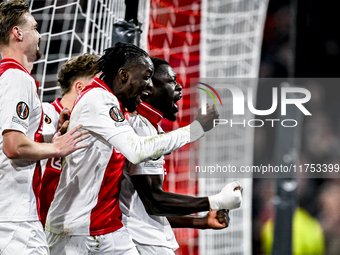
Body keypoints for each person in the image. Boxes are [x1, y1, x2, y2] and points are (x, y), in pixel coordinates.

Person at [45, 42, 222, 255]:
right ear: (124, 75)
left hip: (109, 228)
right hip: (75, 230)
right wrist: (194, 130)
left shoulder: (118, 108)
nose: (148, 86)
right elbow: (137, 150)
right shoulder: (99, 99)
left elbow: (141, 146)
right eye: (146, 77)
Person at [120, 57, 242, 254]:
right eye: (171, 80)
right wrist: (216, 201)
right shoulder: (141, 130)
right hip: (140, 243)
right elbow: (154, 202)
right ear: (148, 88)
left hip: (141, 239)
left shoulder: (149, 128)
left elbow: (140, 208)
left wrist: (201, 221)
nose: (179, 87)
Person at [0, 1, 89, 254]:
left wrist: (50, 138)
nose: (40, 35)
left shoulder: (6, 76)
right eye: (35, 28)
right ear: (18, 33)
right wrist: (57, 149)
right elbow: (13, 146)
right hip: (15, 219)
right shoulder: (17, 77)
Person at [40, 53, 100, 227]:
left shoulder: (93, 128)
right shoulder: (45, 113)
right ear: (80, 87)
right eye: (99, 86)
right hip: (35, 222)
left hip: (72, 225)